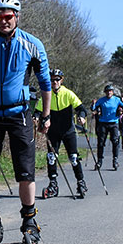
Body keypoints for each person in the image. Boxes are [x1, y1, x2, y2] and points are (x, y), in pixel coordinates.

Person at [0, 0, 51, 244]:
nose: (3, 20)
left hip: (19, 114)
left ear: (17, 16)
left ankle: (29, 221)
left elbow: (46, 83)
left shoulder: (32, 44)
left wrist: (45, 115)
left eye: (8, 16)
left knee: (25, 172)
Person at [34, 69, 88, 198]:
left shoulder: (68, 93)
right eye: (52, 80)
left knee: (73, 158)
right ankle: (53, 184)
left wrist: (81, 117)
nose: (54, 82)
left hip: (68, 131)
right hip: (53, 131)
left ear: (61, 80)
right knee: (51, 157)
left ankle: (81, 181)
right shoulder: (46, 95)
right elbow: (37, 110)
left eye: (57, 79)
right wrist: (36, 117)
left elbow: (81, 109)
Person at [91, 84, 123, 170]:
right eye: (107, 91)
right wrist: (93, 104)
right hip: (103, 123)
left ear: (112, 92)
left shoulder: (116, 100)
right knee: (100, 143)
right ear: (105, 92)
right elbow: (93, 108)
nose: (109, 93)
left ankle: (115, 160)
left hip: (114, 123)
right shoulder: (101, 100)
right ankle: (99, 161)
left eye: (110, 91)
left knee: (115, 141)